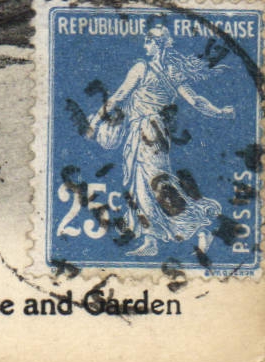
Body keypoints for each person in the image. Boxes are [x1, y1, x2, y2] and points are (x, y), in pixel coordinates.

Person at [88, 25, 235, 257]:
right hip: (154, 132)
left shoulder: (141, 67)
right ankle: (151, 241)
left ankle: (200, 229)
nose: (145, 46)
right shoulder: (173, 72)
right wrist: (218, 111)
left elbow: (118, 96)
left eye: (147, 42)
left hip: (148, 131)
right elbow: (196, 100)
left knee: (157, 184)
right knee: (142, 187)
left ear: (156, 44)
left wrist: (95, 122)